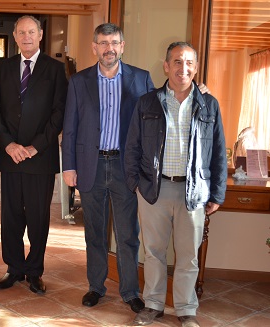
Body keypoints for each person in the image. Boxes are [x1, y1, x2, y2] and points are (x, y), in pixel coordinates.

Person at [124, 42, 227, 327]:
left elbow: (218, 150)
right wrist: (136, 184)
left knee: (187, 256)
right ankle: (154, 305)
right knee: (153, 252)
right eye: (177, 62)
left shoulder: (209, 104)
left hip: (193, 193)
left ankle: (185, 309)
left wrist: (216, 192)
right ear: (166, 66)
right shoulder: (147, 103)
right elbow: (131, 147)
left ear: (195, 67)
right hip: (154, 191)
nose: (184, 68)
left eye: (189, 63)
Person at [61, 23, 154, 312]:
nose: (109, 48)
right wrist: (69, 166)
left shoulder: (141, 79)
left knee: (127, 234)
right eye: (103, 43)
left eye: (114, 42)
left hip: (126, 167)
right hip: (92, 165)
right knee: (95, 233)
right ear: (94, 47)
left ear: (122, 46)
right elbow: (71, 127)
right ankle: (96, 287)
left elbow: (153, 124)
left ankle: (130, 291)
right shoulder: (79, 81)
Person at [0, 15, 68, 294]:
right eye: (21, 32)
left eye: (31, 32)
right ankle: (14, 268)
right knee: (10, 217)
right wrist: (8, 144)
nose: (26, 37)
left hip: (40, 159)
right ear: (14, 35)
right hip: (11, 157)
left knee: (37, 218)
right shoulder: (5, 67)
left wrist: (36, 146)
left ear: (41, 34)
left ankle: (34, 271)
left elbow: (59, 113)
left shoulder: (55, 70)